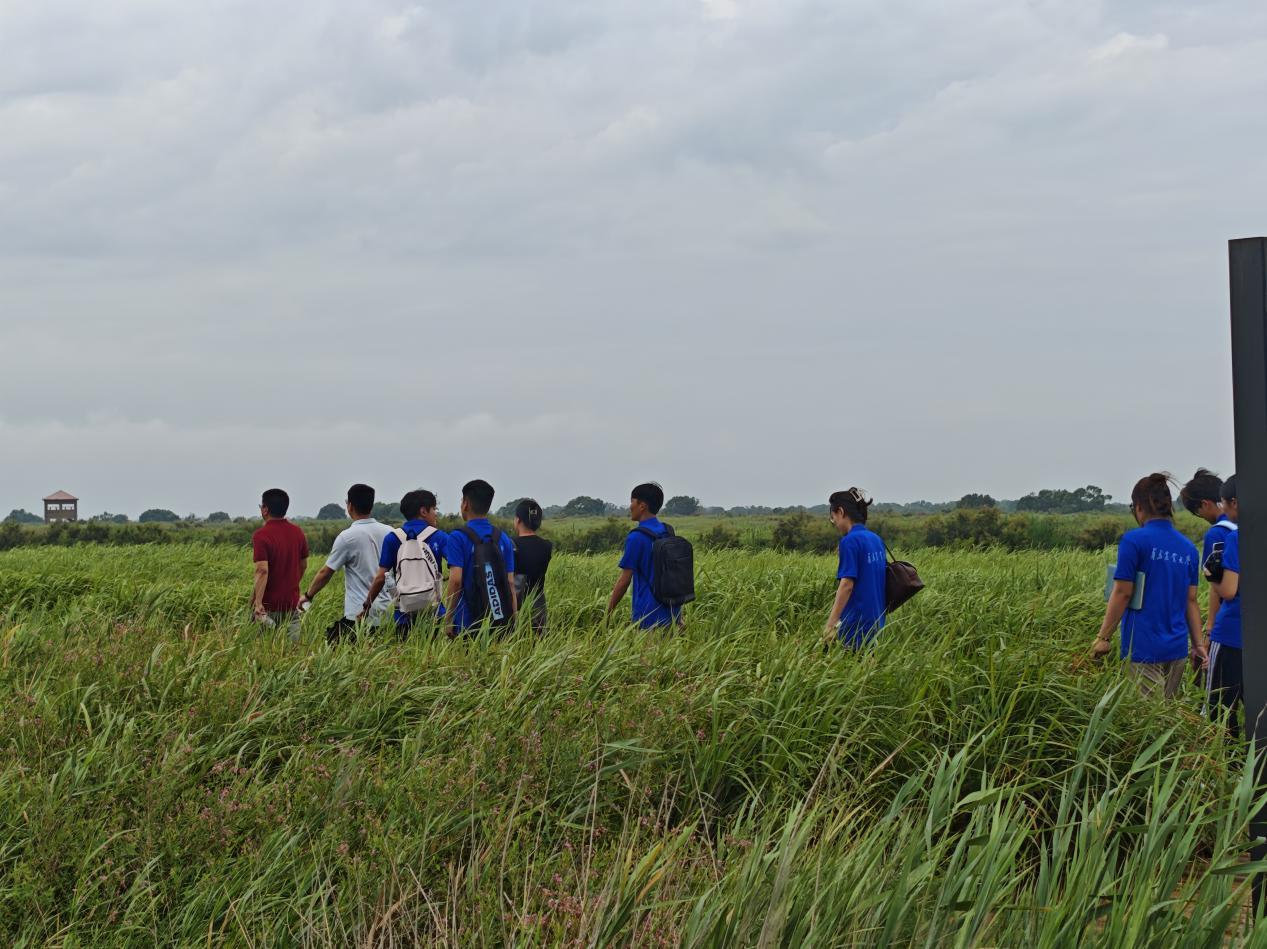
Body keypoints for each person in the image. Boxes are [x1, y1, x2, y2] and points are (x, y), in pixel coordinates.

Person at [1091, 473, 1207, 698]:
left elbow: (1123, 593)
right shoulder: (1189, 548)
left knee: (1146, 717)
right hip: (1177, 648)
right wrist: (1198, 645)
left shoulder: (1134, 541)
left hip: (1143, 648)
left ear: (1139, 507)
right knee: (1167, 713)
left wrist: (1103, 638)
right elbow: (1190, 600)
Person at [298, 484, 393, 644]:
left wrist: (308, 596)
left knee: (336, 648)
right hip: (388, 612)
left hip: (358, 614)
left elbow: (326, 573)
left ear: (350, 506)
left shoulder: (347, 537)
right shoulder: (390, 531)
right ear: (371, 506)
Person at [362, 489, 448, 639]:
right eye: (434, 509)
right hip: (434, 612)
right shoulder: (440, 537)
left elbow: (380, 578)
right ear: (423, 511)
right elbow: (458, 570)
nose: (436, 514)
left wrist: (367, 606)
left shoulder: (392, 538)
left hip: (403, 613)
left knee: (404, 650)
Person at [444, 480, 517, 637]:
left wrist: (448, 619)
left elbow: (455, 580)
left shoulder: (457, 537)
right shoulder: (503, 538)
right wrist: (514, 619)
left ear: (465, 504)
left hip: (466, 623)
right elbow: (510, 582)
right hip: (499, 621)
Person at [607, 482, 683, 629]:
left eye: (632, 501)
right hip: (672, 613)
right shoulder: (668, 531)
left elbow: (624, 581)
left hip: (647, 615)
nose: (630, 506)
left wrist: (608, 613)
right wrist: (679, 615)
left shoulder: (636, 537)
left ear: (642, 506)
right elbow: (674, 575)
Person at [1180, 468, 1237, 648]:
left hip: (1230, 625)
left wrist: (1210, 630)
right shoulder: (1243, 525)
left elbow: (1218, 587)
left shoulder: (1217, 533)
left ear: (1204, 504)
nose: (1201, 517)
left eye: (1197, 512)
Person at [824, 487, 887, 648]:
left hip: (855, 625)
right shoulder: (876, 539)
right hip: (877, 622)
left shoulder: (849, 541)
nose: (834, 523)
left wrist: (830, 625)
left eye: (833, 517)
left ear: (841, 512)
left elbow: (847, 585)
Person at [1205, 474, 1243, 736]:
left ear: (1235, 502)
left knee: (1219, 712)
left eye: (1224, 504)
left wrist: (1210, 576)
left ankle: (1224, 758)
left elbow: (1229, 591)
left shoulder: (1237, 538)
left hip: (1231, 635)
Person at [250, 488, 310, 641]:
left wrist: (258, 603)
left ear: (265, 509)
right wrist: (290, 585)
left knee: (262, 650)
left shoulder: (261, 535)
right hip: (291, 605)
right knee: (292, 652)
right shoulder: (298, 532)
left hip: (267, 607)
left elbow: (262, 570)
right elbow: (303, 565)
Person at [512, 498, 552, 636]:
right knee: (538, 641)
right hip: (539, 603)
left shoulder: (511, 544)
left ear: (518, 520)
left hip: (516, 603)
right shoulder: (547, 546)